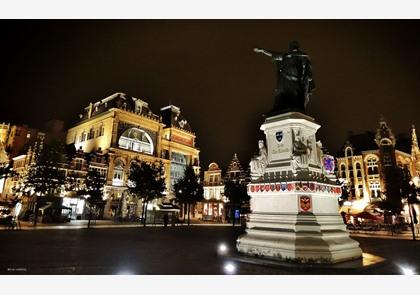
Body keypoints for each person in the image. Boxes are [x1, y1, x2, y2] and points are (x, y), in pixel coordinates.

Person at [254, 41, 315, 114]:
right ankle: (279, 109)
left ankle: (295, 108)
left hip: (296, 80)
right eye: (292, 46)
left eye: (294, 45)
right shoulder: (285, 56)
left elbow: (308, 69)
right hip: (285, 79)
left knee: (295, 95)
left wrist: (307, 77)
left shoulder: (303, 56)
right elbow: (273, 54)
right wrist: (263, 51)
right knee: (282, 94)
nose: (293, 47)